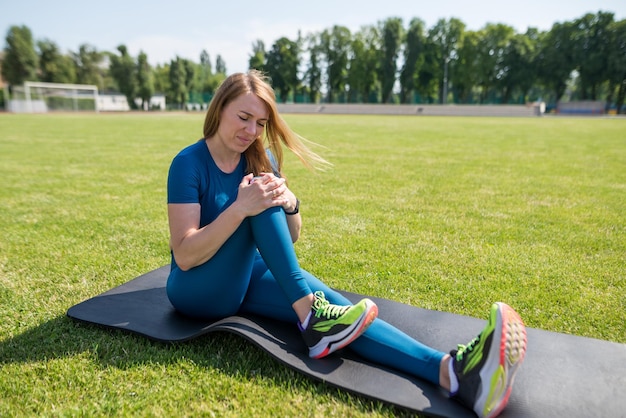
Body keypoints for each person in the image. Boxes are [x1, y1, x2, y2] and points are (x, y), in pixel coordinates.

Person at [166, 70, 527, 418]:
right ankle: (311, 317)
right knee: (260, 201)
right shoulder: (189, 163)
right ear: (219, 109)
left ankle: (453, 374)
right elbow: (184, 255)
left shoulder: (261, 157)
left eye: (260, 124)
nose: (251, 131)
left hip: (245, 274)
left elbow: (290, 235)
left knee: (339, 309)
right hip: (197, 289)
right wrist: (242, 207)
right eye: (244, 117)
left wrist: (290, 202)